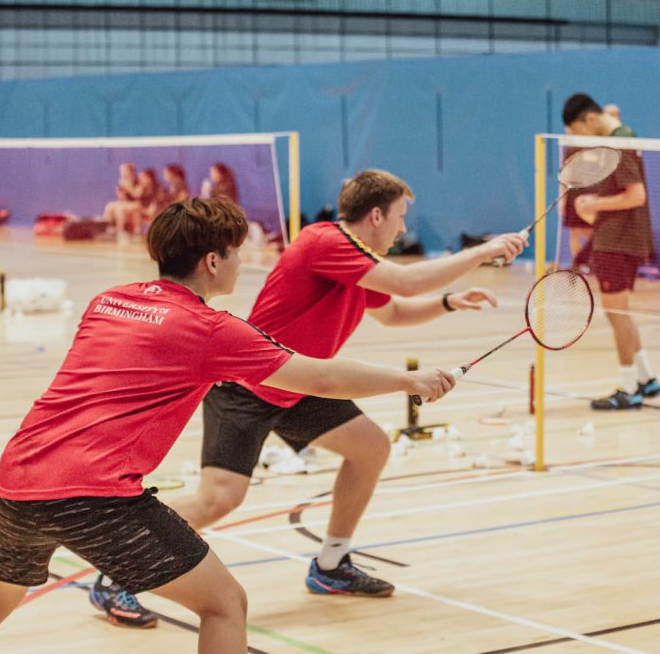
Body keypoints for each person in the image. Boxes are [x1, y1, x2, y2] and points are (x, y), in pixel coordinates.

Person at [0, 197, 454, 653]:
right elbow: (317, 376)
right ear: (212, 260)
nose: (240, 262)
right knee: (224, 603)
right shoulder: (213, 329)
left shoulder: (109, 300)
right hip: (94, 492)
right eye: (235, 252)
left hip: (20, 477)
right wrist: (407, 381)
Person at [89, 169, 526, 626]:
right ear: (375, 214)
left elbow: (395, 310)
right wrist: (485, 251)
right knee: (219, 499)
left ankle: (332, 566)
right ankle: (117, 568)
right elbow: (406, 284)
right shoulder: (326, 242)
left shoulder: (358, 262)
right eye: (399, 217)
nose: (402, 229)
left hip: (300, 384)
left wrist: (450, 302)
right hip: (251, 385)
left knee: (370, 447)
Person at [562, 93, 660, 411]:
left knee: (617, 315)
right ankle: (646, 379)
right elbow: (610, 116)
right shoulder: (618, 134)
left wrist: (595, 204)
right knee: (621, 313)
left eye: (579, 131)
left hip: (617, 240)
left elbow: (637, 195)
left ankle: (628, 388)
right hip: (622, 237)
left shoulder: (619, 143)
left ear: (590, 120)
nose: (579, 140)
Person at [103, 163, 142, 234]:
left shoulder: (137, 180)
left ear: (130, 171)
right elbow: (121, 197)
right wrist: (120, 192)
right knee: (109, 206)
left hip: (135, 203)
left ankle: (120, 230)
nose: (122, 173)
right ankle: (109, 227)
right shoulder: (122, 181)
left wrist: (127, 186)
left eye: (123, 171)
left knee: (120, 209)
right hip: (125, 203)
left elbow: (137, 195)